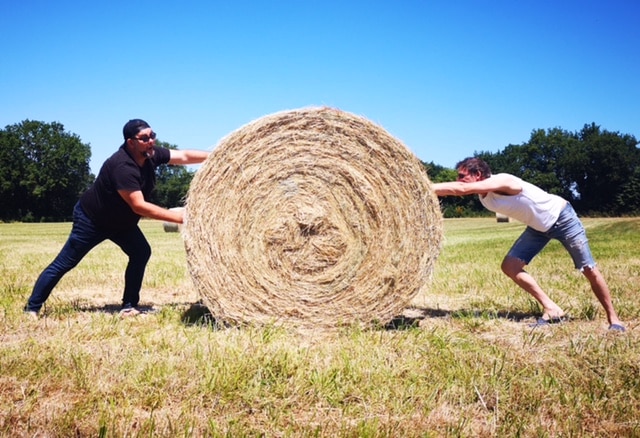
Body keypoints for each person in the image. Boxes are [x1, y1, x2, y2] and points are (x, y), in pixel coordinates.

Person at [24, 119, 210, 318]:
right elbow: (139, 206)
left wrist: (218, 156)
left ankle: (129, 306)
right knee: (65, 262)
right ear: (131, 142)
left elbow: (183, 155)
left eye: (152, 135)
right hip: (93, 220)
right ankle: (32, 308)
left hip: (122, 222)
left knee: (140, 252)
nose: (151, 141)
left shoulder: (150, 154)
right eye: (144, 138)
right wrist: (179, 217)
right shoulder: (122, 166)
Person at [432, 157, 625, 331]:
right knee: (510, 266)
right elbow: (503, 206)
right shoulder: (485, 197)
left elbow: (462, 189)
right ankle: (552, 309)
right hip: (538, 227)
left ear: (478, 174)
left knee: (588, 268)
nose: (459, 180)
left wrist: (424, 186)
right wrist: (504, 221)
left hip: (562, 218)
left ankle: (614, 319)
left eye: (462, 176)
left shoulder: (504, 180)